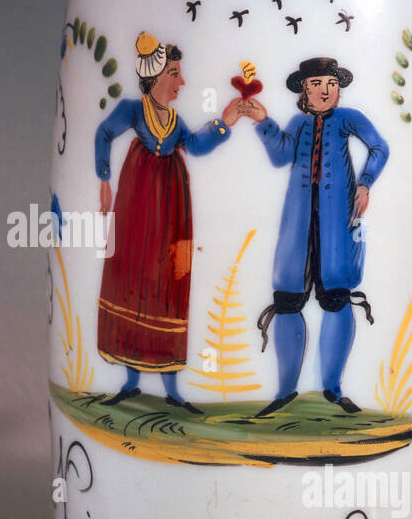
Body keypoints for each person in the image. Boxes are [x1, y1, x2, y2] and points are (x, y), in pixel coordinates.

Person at [95, 32, 243, 411]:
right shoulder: (132, 108)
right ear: (156, 77)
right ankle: (129, 381)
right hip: (138, 203)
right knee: (132, 276)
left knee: (168, 284)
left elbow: (195, 146)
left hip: (171, 210)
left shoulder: (175, 122)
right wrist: (104, 180)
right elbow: (103, 133)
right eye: (175, 73)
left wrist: (223, 123)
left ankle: (174, 390)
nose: (182, 82)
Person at [244, 57, 388, 416]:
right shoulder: (297, 123)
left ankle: (334, 389)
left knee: (337, 297)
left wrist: (367, 183)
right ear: (304, 90)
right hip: (298, 226)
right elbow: (280, 157)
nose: (326, 90)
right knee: (289, 299)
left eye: (331, 83)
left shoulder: (348, 119)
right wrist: (263, 121)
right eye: (317, 84)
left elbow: (379, 147)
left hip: (337, 224)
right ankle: (285, 390)